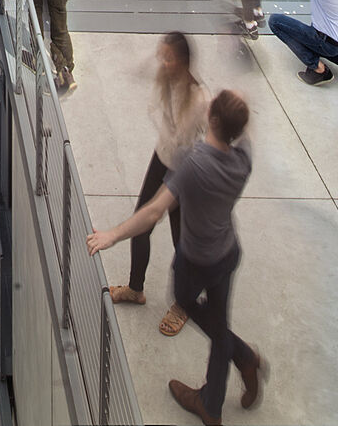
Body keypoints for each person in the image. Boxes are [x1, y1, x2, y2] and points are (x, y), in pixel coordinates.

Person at [87, 90, 267, 424]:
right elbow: (245, 127)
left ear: (211, 120)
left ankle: (243, 357)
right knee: (219, 319)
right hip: (227, 253)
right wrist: (236, 108)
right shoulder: (243, 157)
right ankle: (211, 405)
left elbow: (154, 211)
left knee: (187, 302)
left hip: (196, 260)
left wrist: (112, 234)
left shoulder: (193, 163)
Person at [105, 33, 209, 333]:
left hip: (184, 170)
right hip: (163, 156)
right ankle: (135, 288)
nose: (163, 63)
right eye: (161, 56)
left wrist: (169, 193)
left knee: (182, 241)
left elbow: (184, 142)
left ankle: (184, 304)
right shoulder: (166, 75)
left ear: (184, 61)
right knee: (141, 223)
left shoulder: (198, 98)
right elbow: (138, 70)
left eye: (169, 58)